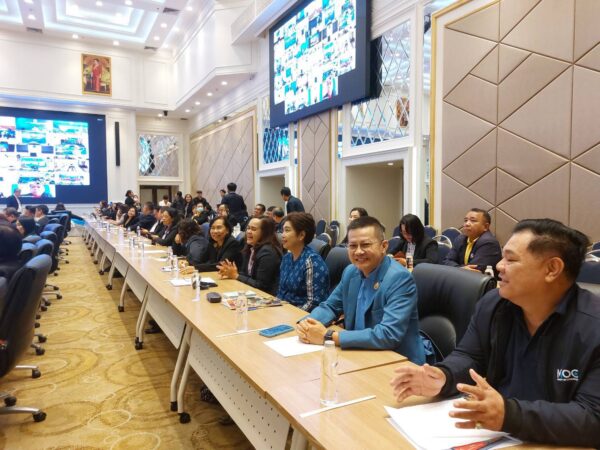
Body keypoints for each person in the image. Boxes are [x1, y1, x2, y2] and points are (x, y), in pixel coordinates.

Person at [390, 219, 600, 447]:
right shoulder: (494, 304)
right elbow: (470, 356)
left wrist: (509, 415)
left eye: (510, 259)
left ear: (552, 269)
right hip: (500, 435)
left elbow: (592, 418)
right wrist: (444, 376)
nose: (499, 266)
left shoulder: (593, 327)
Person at [296, 216, 426, 364]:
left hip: (398, 360)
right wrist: (306, 325)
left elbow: (388, 334)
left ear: (384, 246)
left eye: (365, 245)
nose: (358, 251)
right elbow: (330, 306)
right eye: (352, 246)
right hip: (358, 353)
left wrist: (328, 335)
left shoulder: (399, 278)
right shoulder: (351, 272)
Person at [218, 216, 282, 295]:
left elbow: (261, 285)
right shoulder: (250, 247)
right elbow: (245, 274)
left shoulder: (267, 252)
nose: (248, 232)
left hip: (265, 296)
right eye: (248, 228)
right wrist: (230, 272)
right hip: (250, 292)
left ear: (265, 233)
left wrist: (236, 275)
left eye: (253, 229)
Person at [278, 213, 329, 311]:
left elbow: (314, 303)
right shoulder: (286, 258)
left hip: (301, 315)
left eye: (287, 230)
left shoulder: (312, 262)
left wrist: (294, 316)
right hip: (283, 311)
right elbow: (281, 292)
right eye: (282, 230)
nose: (282, 235)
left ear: (301, 235)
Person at [442, 208, 501, 273]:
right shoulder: (460, 239)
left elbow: (474, 270)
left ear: (485, 227)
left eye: (473, 221)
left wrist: (457, 268)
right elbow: (446, 261)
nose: (467, 224)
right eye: (465, 220)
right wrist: (460, 268)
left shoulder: (489, 243)